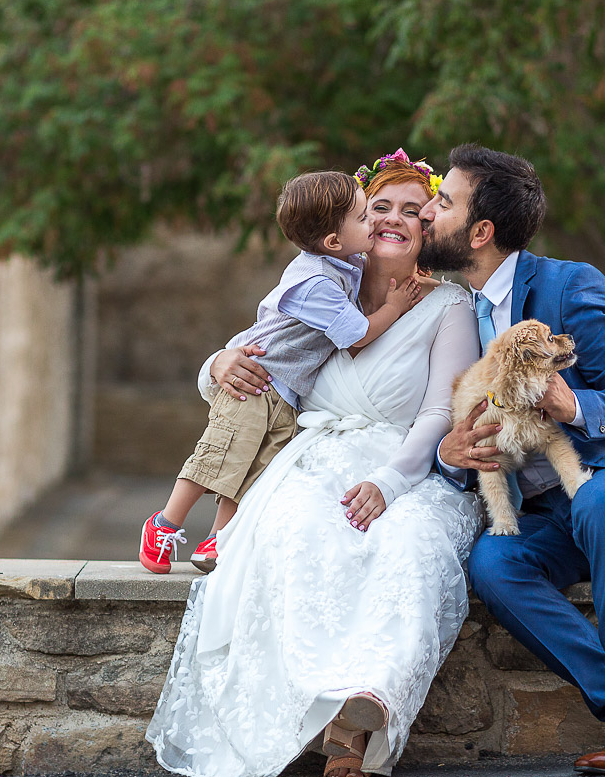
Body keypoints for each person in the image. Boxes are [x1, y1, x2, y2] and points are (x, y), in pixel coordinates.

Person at [147, 150, 484, 777]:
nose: (392, 220)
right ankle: (305, 702)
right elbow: (253, 361)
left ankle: (357, 715)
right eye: (378, 207)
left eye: (413, 211)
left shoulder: (450, 307)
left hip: (398, 465)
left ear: (429, 228)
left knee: (408, 545)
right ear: (351, 223)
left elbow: (441, 410)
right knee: (294, 532)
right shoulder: (322, 283)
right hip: (307, 458)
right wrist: (218, 364)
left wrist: (389, 483)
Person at [424, 144, 605, 777]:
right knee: (493, 565)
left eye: (443, 202)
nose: (428, 214)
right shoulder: (452, 309)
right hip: (542, 510)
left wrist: (574, 403)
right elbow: (452, 420)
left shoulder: (572, 285)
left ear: (481, 231)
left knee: (600, 501)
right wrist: (450, 453)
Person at [138, 170, 421, 574]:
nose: (374, 222)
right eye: (365, 216)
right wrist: (393, 308)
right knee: (221, 457)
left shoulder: (345, 261)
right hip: (256, 380)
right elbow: (357, 336)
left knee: (255, 470)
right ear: (333, 242)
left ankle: (220, 538)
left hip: (286, 395)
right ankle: (164, 524)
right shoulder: (316, 281)